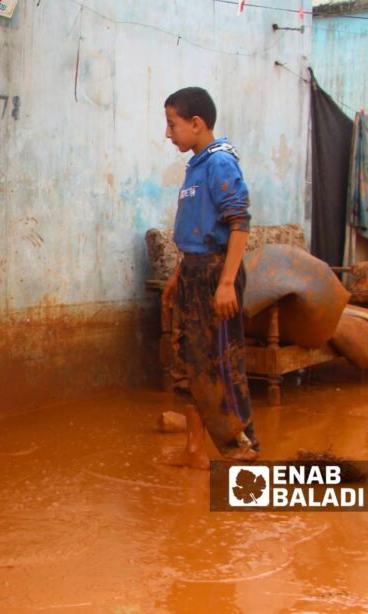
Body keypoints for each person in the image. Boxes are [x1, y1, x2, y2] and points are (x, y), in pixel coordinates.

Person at [157, 87, 260, 469]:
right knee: (188, 366)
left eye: (173, 125)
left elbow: (239, 224)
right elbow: (197, 229)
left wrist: (227, 283)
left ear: (196, 124)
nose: (169, 134)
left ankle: (243, 456)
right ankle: (195, 450)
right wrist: (178, 275)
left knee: (222, 369)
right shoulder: (197, 164)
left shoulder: (220, 163)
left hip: (217, 273)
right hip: (193, 273)